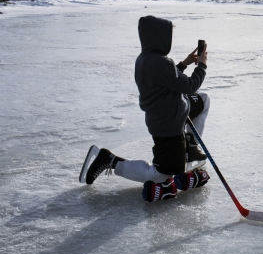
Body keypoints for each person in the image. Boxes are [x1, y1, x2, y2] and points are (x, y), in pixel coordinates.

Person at [79, 15, 211, 202]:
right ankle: (110, 161)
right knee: (162, 175)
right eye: (168, 34)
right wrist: (202, 65)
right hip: (168, 126)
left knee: (203, 100)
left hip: (169, 114)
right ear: (158, 37)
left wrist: (184, 64)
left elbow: (166, 80)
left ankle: (190, 146)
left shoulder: (146, 59)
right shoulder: (160, 62)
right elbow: (189, 86)